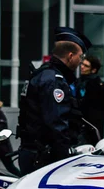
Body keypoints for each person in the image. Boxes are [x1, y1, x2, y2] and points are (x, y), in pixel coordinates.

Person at [16, 26, 92, 175]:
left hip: (33, 152)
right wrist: (64, 158)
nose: (80, 62)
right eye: (80, 57)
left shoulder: (42, 74)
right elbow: (57, 125)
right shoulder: (54, 81)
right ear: (70, 56)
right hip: (44, 157)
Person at [76, 55, 104, 144]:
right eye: (82, 64)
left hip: (93, 125)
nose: (82, 67)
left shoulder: (100, 86)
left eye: (86, 66)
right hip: (78, 124)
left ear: (93, 70)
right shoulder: (78, 82)